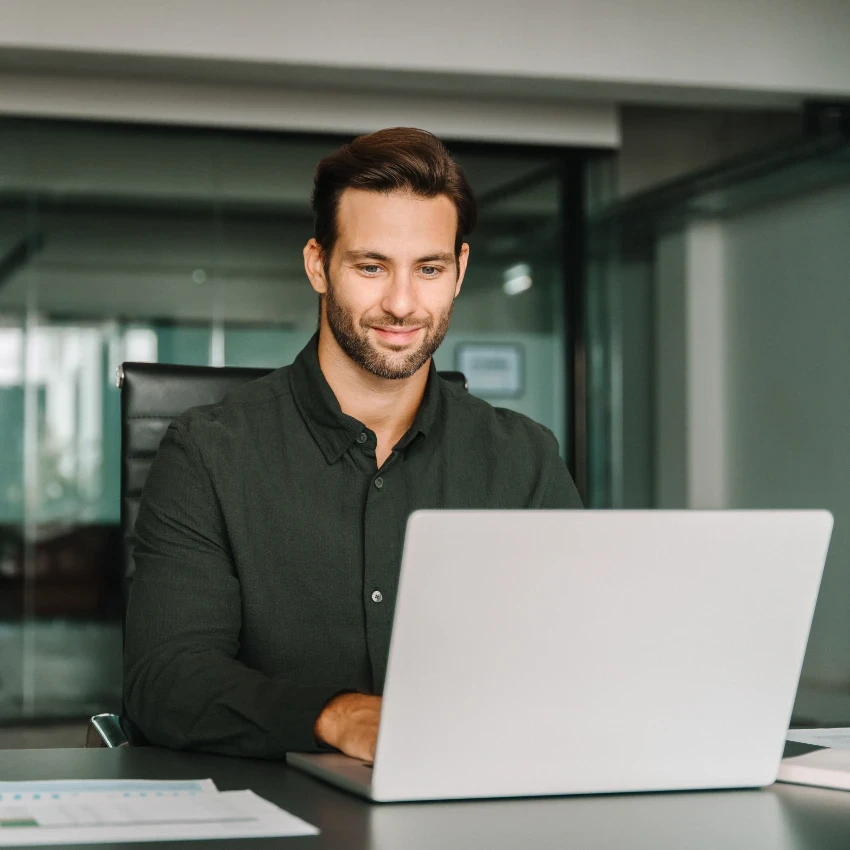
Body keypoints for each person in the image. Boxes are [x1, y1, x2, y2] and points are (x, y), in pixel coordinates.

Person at [123, 127, 582, 762]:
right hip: (272, 802)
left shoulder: (523, 458)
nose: (402, 304)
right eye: (371, 266)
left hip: (472, 795)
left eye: (429, 268)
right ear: (318, 264)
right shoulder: (208, 453)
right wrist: (336, 717)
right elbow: (166, 681)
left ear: (459, 270)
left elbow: (582, 656)